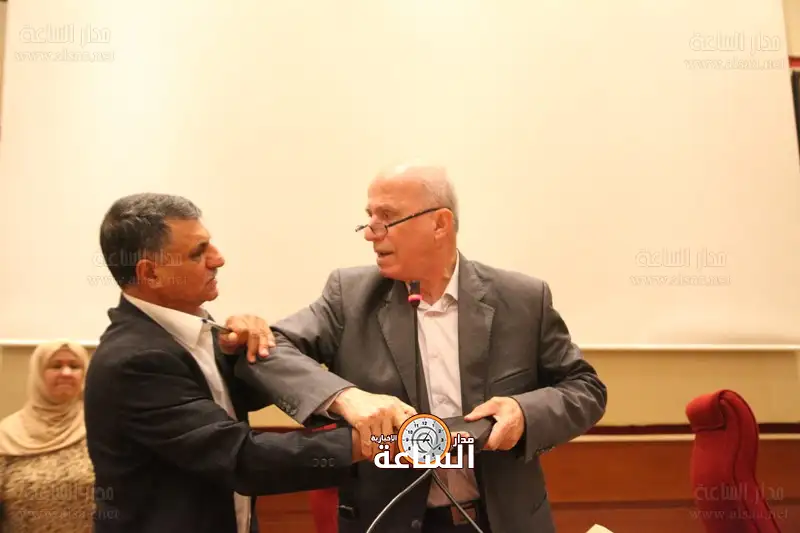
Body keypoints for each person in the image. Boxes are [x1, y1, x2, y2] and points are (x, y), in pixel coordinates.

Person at [235, 163, 608, 533]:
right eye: (369, 217)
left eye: (387, 217)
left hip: (501, 522)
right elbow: (271, 351)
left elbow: (586, 388)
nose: (370, 233)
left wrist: (525, 414)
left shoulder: (523, 298)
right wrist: (345, 398)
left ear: (440, 224)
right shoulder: (348, 296)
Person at [83, 193, 407, 533]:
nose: (218, 259)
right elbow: (242, 459)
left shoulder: (200, 333)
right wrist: (377, 440)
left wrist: (254, 352)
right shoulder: (134, 361)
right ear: (150, 273)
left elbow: (250, 397)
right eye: (198, 253)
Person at [0, 340, 95, 533]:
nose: (66, 373)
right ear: (38, 373)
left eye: (74, 366)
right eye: (56, 366)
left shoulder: (100, 426)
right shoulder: (7, 435)